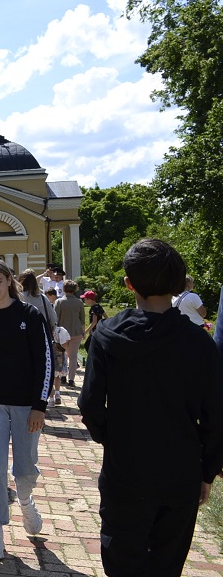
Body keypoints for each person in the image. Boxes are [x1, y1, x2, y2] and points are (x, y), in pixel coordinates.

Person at [79, 239, 223, 577]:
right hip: (181, 469)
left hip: (125, 469)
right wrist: (207, 469)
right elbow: (216, 414)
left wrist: (110, 437)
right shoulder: (198, 342)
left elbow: (89, 405)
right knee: (166, 565)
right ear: (178, 283)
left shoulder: (107, 335)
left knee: (122, 560)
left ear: (129, 284)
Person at [0, 257, 52, 560]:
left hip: (27, 405)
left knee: (26, 466)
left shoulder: (30, 314)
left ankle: (26, 500)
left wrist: (40, 405)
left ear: (9, 281)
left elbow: (45, 359)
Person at [18, 269, 60, 406]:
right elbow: (53, 319)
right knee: (41, 368)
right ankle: (44, 396)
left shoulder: (17, 297)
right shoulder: (42, 298)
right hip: (42, 338)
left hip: (21, 339)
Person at [54, 280, 86, 388]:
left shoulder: (59, 302)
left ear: (63, 289)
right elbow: (82, 319)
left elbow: (55, 319)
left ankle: (63, 376)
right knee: (73, 357)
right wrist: (83, 332)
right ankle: (71, 380)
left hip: (62, 333)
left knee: (63, 356)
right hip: (76, 332)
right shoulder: (79, 302)